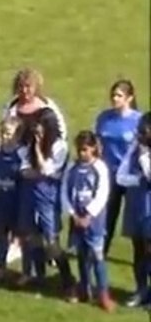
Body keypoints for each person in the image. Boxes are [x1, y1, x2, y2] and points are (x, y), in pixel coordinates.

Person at [17, 108, 75, 297]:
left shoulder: (60, 146)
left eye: (41, 127)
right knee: (32, 237)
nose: (37, 131)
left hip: (48, 198)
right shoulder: (31, 142)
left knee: (51, 241)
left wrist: (38, 150)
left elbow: (46, 169)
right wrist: (35, 150)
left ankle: (68, 281)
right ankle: (39, 278)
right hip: (29, 195)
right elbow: (24, 170)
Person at [62, 130, 114, 311]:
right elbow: (65, 191)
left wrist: (89, 215)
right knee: (81, 254)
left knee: (97, 254)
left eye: (85, 149)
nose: (82, 153)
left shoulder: (99, 168)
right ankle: (84, 288)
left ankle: (103, 294)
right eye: (79, 149)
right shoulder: (72, 167)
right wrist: (72, 213)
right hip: (77, 219)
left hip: (94, 220)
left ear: (93, 148)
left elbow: (102, 193)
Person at [94, 79, 140, 255]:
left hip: (131, 176)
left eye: (119, 95)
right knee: (107, 216)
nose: (115, 98)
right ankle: (100, 252)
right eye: (113, 95)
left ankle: (141, 255)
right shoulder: (104, 118)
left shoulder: (138, 120)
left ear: (129, 98)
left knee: (135, 218)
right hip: (110, 175)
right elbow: (97, 143)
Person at [114, 113, 151, 307]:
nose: (140, 134)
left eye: (144, 131)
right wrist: (136, 179)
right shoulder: (135, 147)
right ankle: (141, 290)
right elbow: (120, 175)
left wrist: (144, 158)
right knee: (138, 250)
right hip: (136, 205)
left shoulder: (143, 152)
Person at [0, 117, 23, 281]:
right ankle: (1, 267)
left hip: (16, 203)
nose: (5, 136)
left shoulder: (21, 155)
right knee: (0, 235)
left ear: (17, 135)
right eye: (3, 133)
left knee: (21, 235)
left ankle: (26, 271)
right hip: (0, 202)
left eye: (9, 133)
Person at [3, 68, 68, 140]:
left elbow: (61, 131)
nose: (24, 90)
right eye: (21, 86)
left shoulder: (47, 106)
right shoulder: (10, 108)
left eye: (28, 86)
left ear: (35, 87)